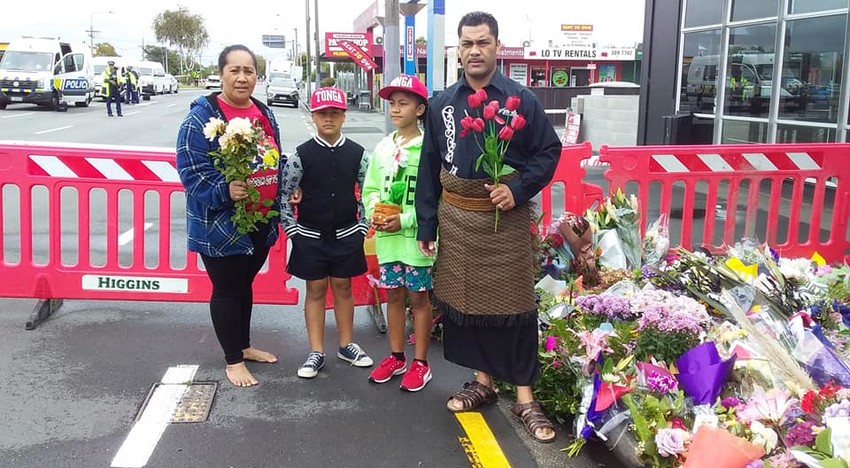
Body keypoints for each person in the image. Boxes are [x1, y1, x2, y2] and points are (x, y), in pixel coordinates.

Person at [415, 12, 561, 442]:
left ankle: (526, 398)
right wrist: (427, 222)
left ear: (498, 47)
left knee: (514, 309)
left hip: (506, 221)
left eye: (482, 43)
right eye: (467, 44)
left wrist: (518, 187)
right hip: (458, 221)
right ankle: (483, 383)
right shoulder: (442, 103)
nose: (474, 51)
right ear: (457, 50)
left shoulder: (521, 99)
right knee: (470, 306)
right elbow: (429, 167)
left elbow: (548, 152)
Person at [176, 44, 287, 388]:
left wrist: (283, 192)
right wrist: (225, 191)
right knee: (227, 289)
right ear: (221, 73)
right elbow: (191, 172)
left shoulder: (264, 113)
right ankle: (233, 360)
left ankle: (243, 345)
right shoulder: (201, 118)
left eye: (249, 71)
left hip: (260, 220)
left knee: (244, 284)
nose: (242, 78)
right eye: (234, 70)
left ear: (257, 75)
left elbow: (274, 159)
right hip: (221, 225)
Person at [279, 87, 374, 379]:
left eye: (335, 113)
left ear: (344, 116)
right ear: (314, 116)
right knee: (316, 289)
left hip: (347, 234)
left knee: (344, 287)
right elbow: (283, 194)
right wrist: (292, 230)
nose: (329, 119)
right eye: (323, 113)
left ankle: (346, 344)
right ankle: (316, 351)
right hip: (310, 234)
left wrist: (363, 225)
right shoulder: (300, 155)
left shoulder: (358, 154)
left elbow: (369, 193)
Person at [362, 75, 434, 392]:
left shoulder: (429, 149)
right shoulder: (382, 147)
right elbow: (371, 188)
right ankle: (396, 356)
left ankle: (421, 363)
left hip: (416, 240)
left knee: (418, 298)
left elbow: (434, 200)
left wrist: (404, 220)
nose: (395, 109)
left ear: (420, 109)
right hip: (388, 240)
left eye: (403, 103)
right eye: (392, 103)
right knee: (393, 294)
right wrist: (375, 211)